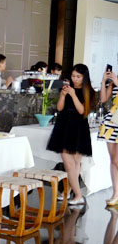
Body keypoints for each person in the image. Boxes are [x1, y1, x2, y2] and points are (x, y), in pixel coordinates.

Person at [46, 63, 94, 205]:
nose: (75, 79)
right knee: (69, 164)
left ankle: (77, 195)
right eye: (73, 76)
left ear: (84, 77)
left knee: (74, 164)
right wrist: (62, 95)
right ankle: (70, 192)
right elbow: (60, 108)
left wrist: (73, 95)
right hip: (64, 126)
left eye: (78, 76)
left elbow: (82, 111)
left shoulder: (89, 91)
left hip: (78, 128)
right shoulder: (68, 88)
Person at [99, 65, 118, 206]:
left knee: (117, 160)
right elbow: (104, 99)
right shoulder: (114, 81)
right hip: (112, 121)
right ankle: (116, 193)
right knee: (112, 160)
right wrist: (104, 81)